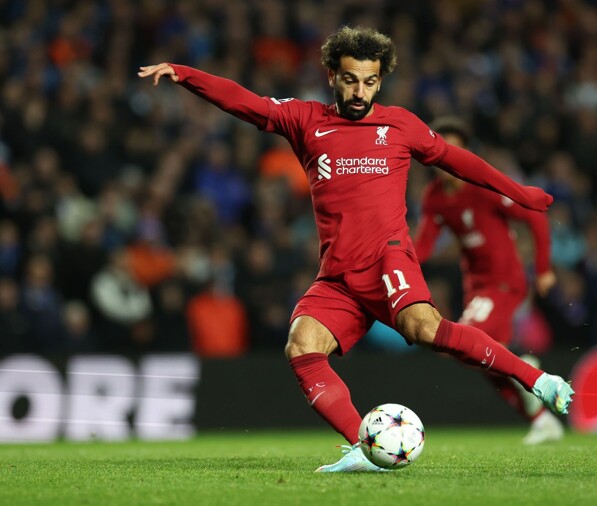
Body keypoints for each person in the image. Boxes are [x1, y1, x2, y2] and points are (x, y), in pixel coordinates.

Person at [138, 26, 573, 473]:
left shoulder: (399, 124)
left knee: (426, 329)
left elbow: (456, 159)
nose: (360, 91)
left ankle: (538, 380)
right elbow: (244, 101)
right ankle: (362, 450)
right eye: (350, 80)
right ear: (332, 76)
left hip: (387, 258)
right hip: (338, 275)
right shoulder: (306, 120)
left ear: (379, 81)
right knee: (301, 344)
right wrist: (184, 73)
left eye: (369, 81)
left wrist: (518, 191)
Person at [414, 116, 563, 444]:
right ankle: (541, 420)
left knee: (461, 345)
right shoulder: (434, 197)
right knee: (484, 360)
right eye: (441, 150)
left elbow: (535, 215)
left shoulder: (482, 188)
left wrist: (543, 268)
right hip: (476, 287)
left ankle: (529, 373)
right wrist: (394, 263)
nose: (446, 158)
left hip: (504, 282)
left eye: (455, 150)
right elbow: (423, 245)